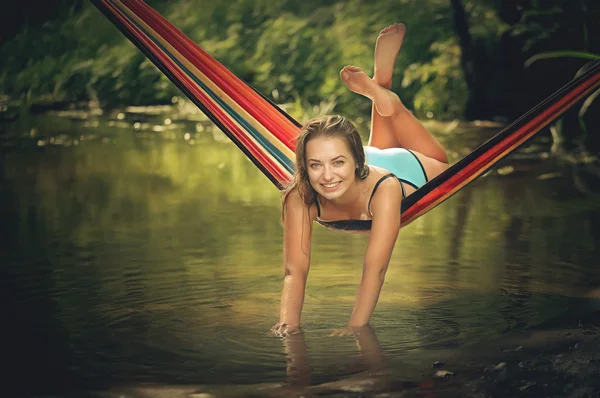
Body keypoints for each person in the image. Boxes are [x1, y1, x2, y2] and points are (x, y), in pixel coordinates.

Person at [271, 24, 449, 337]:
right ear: (303, 166)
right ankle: (380, 85)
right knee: (373, 148)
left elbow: (375, 269)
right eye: (314, 165)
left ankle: (387, 96)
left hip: (409, 168)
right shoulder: (300, 195)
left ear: (357, 160)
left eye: (337, 163)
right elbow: (293, 271)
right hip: (367, 158)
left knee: (444, 165)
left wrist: (355, 328)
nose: (326, 177)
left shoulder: (386, 190)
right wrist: (288, 326)